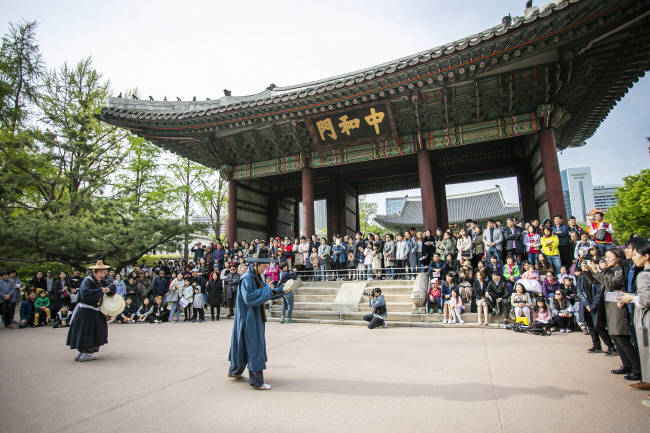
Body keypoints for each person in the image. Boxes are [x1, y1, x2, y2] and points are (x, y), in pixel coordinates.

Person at [228, 256, 286, 390]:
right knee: (254, 346)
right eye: (263, 266)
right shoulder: (246, 278)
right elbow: (249, 297)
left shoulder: (257, 276)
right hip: (247, 317)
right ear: (255, 264)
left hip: (252, 315)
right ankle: (256, 381)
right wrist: (267, 290)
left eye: (266, 266)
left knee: (242, 345)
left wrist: (281, 290)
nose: (265, 268)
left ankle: (234, 371)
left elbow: (266, 292)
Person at [583, 248, 641, 381]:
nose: (606, 259)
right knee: (615, 337)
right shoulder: (610, 270)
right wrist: (588, 270)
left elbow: (611, 283)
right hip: (609, 307)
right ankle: (626, 365)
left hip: (619, 307)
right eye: (606, 257)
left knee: (622, 338)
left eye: (609, 257)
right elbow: (595, 281)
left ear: (619, 257)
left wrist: (597, 271)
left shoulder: (621, 270)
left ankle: (636, 369)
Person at [616, 240, 650, 396]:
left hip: (646, 318)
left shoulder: (643, 275)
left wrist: (632, 298)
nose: (632, 257)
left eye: (635, 254)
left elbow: (646, 299)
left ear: (646, 256)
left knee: (645, 349)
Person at [66, 261, 116, 362]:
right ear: (94, 272)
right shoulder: (87, 280)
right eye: (100, 272)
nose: (102, 275)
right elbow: (84, 293)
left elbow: (112, 286)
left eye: (104, 272)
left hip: (94, 310)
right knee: (88, 331)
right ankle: (84, 352)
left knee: (93, 330)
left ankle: (82, 352)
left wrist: (108, 290)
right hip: (85, 310)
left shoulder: (100, 281)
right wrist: (101, 291)